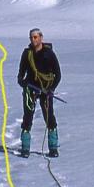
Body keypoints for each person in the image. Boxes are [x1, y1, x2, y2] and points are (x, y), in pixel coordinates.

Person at [16, 28, 61, 158]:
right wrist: (22, 82)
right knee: (28, 117)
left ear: (41, 37)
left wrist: (51, 89)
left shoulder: (49, 54)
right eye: (31, 37)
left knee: (49, 117)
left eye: (35, 37)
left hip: (46, 89)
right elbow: (21, 73)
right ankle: (25, 148)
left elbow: (58, 74)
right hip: (31, 89)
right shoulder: (27, 54)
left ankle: (53, 148)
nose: (33, 40)